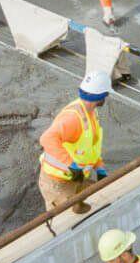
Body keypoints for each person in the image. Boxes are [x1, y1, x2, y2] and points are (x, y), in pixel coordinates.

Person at [37, 70, 114, 214]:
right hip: (58, 183)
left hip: (75, 178)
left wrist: (99, 167)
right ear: (103, 95)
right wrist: (71, 165)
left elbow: (90, 146)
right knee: (65, 222)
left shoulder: (90, 113)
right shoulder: (74, 118)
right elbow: (46, 138)